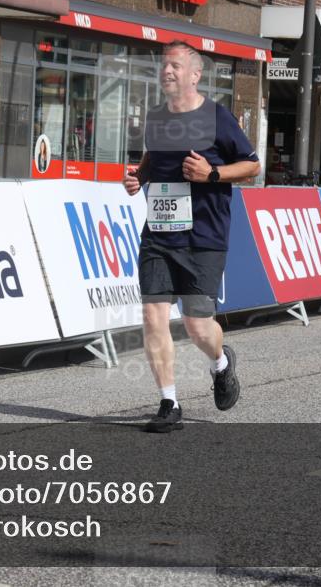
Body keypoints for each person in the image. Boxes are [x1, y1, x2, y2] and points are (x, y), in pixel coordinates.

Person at [123, 40, 260, 433]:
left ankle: (221, 364)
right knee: (153, 315)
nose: (167, 72)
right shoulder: (156, 118)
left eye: (176, 67)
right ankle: (169, 402)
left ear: (195, 75)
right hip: (160, 235)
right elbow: (153, 159)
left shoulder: (216, 117)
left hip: (204, 236)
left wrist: (212, 175)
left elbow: (252, 165)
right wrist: (138, 177)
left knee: (198, 326)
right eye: (164, 66)